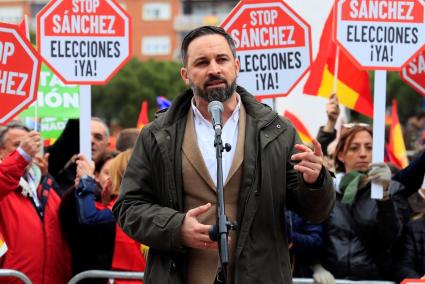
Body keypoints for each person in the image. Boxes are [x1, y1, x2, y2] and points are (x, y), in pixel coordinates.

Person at [112, 26, 335, 284]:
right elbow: (128, 207)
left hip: (260, 276)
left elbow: (315, 211)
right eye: (202, 62)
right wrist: (176, 227)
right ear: (186, 74)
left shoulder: (277, 131)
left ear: (237, 65)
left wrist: (316, 182)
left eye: (222, 59)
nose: (214, 69)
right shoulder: (157, 135)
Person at [321, 124, 407, 280]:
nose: (363, 154)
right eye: (354, 148)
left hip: (374, 280)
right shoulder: (328, 191)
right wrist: (316, 267)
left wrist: (384, 196)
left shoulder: (393, 190)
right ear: (340, 155)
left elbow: (392, 237)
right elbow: (313, 235)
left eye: (369, 148)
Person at [0, 122, 71, 283]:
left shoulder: (44, 186)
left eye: (31, 146)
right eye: (18, 145)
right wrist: (20, 156)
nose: (28, 150)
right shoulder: (4, 185)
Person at [74, 150, 146, 283]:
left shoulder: (126, 207)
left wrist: (86, 180)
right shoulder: (143, 203)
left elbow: (90, 219)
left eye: (111, 174)